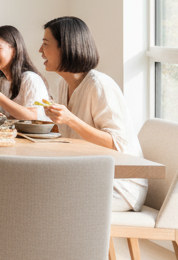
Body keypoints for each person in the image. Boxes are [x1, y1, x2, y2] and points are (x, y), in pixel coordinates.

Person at [36, 16, 146, 212]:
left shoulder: (99, 85)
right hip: (89, 175)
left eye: (45, 44)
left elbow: (118, 145)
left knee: (43, 199)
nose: (39, 50)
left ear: (66, 47)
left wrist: (70, 119)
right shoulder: (64, 84)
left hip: (118, 185)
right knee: (31, 186)